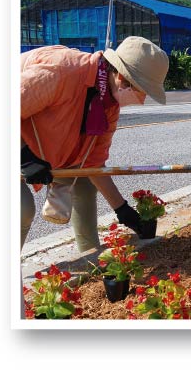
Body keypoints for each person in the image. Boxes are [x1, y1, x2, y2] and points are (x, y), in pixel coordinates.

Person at [21, 36, 169, 252]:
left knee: (85, 184)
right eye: (141, 90)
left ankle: (90, 255)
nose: (142, 100)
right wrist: (24, 157)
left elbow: (94, 162)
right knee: (21, 209)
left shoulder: (108, 106)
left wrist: (123, 210)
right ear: (120, 76)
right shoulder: (63, 70)